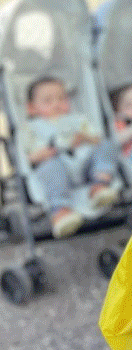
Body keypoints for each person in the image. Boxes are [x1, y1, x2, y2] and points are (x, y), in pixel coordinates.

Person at [22, 76, 121, 238]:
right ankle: (61, 211)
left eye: (61, 98)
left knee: (106, 145)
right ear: (32, 108)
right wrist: (48, 151)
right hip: (56, 168)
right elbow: (28, 158)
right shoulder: (31, 128)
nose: (56, 104)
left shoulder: (78, 120)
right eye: (48, 101)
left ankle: (100, 185)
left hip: (84, 167)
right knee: (50, 167)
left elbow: (96, 138)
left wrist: (84, 138)